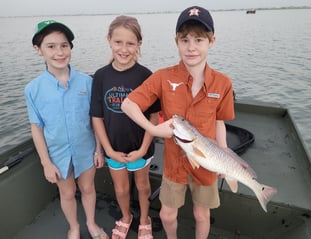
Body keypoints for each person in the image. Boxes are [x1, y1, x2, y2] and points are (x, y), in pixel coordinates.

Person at [121, 6, 235, 239]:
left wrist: (224, 154)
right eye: (185, 40)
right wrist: (153, 129)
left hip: (208, 162)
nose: (191, 47)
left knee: (202, 215)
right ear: (177, 42)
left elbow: (220, 121)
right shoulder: (163, 76)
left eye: (199, 39)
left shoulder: (223, 83)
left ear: (211, 41)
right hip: (174, 165)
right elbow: (128, 104)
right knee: (166, 215)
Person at [24, 20, 109, 239]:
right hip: (57, 154)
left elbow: (95, 119)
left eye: (64, 45)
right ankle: (74, 226)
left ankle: (91, 223)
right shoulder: (32, 89)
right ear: (38, 50)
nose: (59, 52)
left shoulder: (86, 82)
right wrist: (45, 163)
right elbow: (37, 128)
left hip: (87, 149)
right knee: (67, 192)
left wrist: (99, 150)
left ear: (70, 48)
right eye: (51, 46)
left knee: (88, 188)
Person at [90, 16, 160, 239]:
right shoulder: (101, 76)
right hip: (114, 150)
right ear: (109, 40)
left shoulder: (146, 75)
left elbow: (154, 116)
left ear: (139, 44)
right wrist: (106, 150)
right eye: (118, 42)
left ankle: (145, 219)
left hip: (140, 149)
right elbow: (97, 116)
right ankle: (126, 216)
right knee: (121, 189)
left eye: (130, 43)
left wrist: (143, 149)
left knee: (142, 186)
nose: (124, 49)